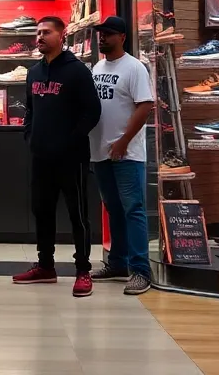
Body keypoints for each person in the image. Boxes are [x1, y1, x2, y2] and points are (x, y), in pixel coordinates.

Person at [12, 16, 100, 297]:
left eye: (46, 32)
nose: (40, 37)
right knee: (42, 211)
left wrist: (70, 141)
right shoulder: (34, 72)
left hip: (71, 157)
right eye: (37, 32)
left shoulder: (77, 71)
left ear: (61, 36)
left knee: (77, 215)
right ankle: (46, 266)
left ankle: (83, 271)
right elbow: (30, 109)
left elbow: (92, 112)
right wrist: (30, 134)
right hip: (41, 156)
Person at [88, 15, 155, 296]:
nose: (102, 38)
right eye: (101, 34)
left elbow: (145, 106)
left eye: (109, 34)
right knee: (113, 209)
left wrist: (123, 142)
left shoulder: (135, 68)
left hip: (126, 153)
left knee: (133, 210)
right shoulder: (97, 67)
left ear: (123, 37)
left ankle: (141, 271)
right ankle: (118, 262)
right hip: (100, 151)